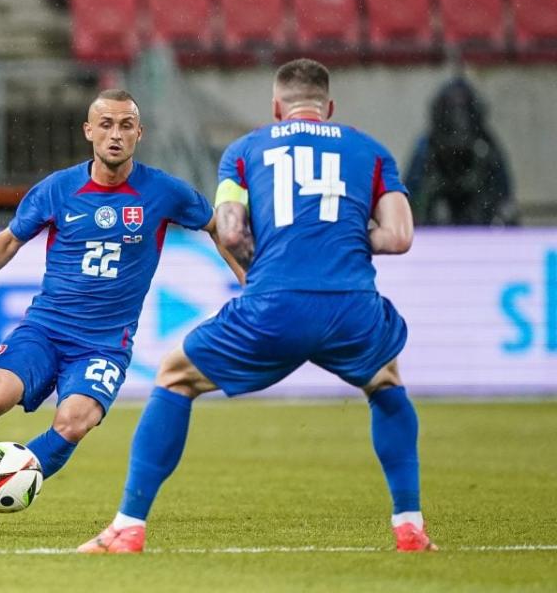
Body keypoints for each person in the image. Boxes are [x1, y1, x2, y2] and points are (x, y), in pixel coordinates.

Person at [79, 59, 436, 554]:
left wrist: (277, 251)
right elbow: (398, 237)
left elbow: (228, 231)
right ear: (328, 108)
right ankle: (410, 527)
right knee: (385, 383)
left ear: (275, 107)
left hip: (274, 302)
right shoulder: (371, 152)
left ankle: (127, 527)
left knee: (175, 376)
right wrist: (341, 239)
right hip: (351, 305)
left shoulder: (245, 152)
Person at [0, 89, 244, 527]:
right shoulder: (58, 189)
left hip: (105, 344)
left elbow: (218, 229)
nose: (115, 134)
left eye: (126, 125)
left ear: (139, 134)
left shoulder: (163, 191)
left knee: (75, 421)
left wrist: (250, 282)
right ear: (89, 131)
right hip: (46, 330)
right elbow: (9, 239)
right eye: (105, 124)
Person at [405, 77, 519, 226]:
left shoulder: (486, 147)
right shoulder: (426, 147)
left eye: (463, 109)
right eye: (451, 109)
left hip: (480, 225)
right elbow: (410, 197)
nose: (458, 119)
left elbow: (504, 198)